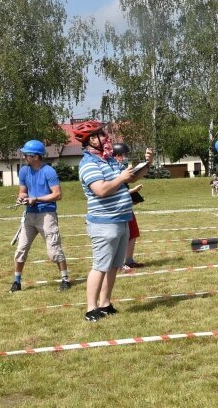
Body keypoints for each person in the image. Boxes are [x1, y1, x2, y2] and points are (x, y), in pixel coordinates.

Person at [75, 121, 152, 322]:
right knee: (100, 265)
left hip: (121, 220)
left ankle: (105, 304)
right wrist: (121, 178)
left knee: (113, 266)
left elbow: (131, 178)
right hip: (104, 222)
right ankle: (91, 308)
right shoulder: (88, 164)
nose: (106, 138)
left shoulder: (108, 160)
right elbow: (100, 190)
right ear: (91, 140)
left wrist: (147, 163)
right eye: (101, 134)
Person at [10, 140, 71, 293]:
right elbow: (22, 191)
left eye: (27, 155)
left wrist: (36, 198)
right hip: (29, 215)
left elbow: (57, 195)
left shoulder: (49, 171)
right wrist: (22, 197)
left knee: (53, 250)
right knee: (21, 248)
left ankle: (65, 279)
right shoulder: (24, 171)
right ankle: (17, 282)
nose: (24, 157)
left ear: (36, 156)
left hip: (46, 214)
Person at [112, 142, 145, 270]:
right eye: (122, 155)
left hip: (127, 207)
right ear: (116, 155)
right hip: (118, 209)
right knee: (121, 236)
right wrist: (133, 190)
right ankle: (119, 263)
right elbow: (114, 191)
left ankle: (129, 260)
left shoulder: (121, 169)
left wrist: (133, 197)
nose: (124, 158)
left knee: (133, 233)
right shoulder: (113, 171)